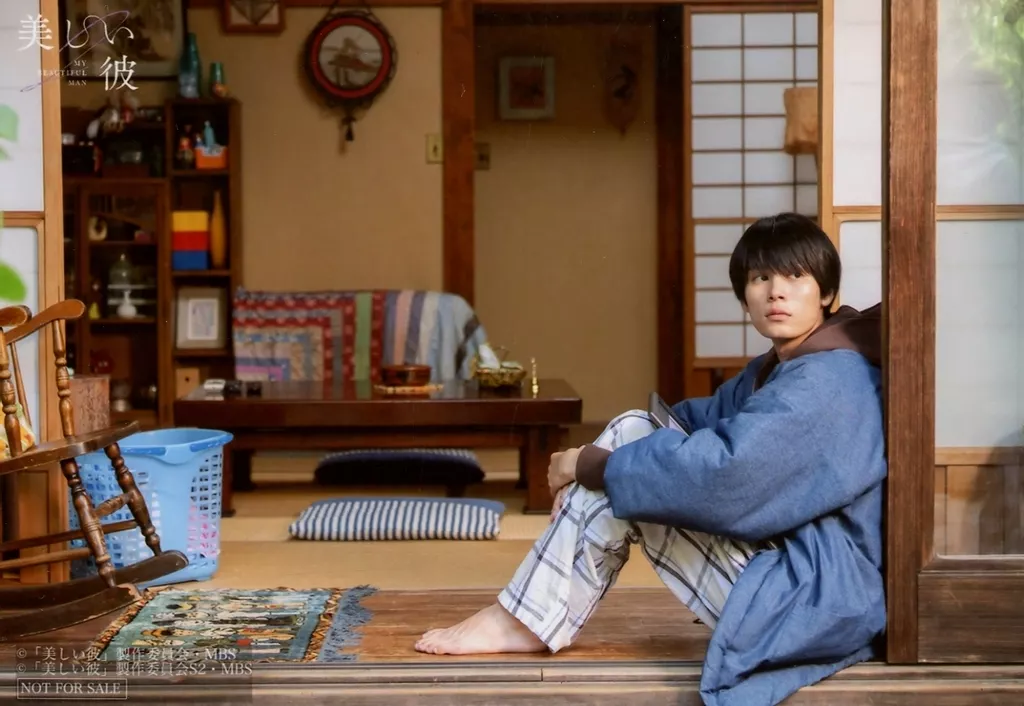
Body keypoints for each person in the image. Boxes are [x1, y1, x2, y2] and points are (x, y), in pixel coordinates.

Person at [414, 212, 887, 706]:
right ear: (744, 294)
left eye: (795, 276)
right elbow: (698, 420)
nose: (776, 292)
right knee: (631, 438)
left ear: (826, 293)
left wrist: (586, 467)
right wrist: (596, 464)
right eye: (760, 277)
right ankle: (528, 614)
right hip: (806, 575)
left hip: (815, 601)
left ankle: (524, 619)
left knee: (624, 459)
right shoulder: (784, 366)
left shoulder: (829, 381)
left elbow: (727, 475)